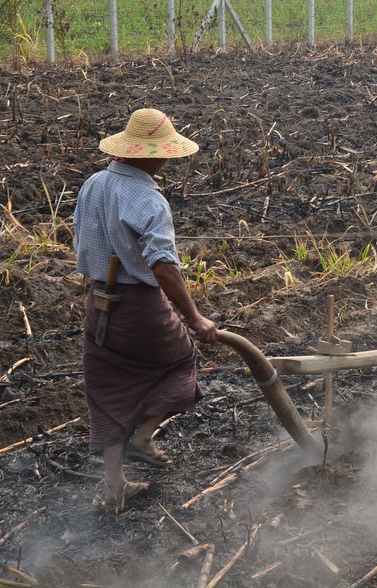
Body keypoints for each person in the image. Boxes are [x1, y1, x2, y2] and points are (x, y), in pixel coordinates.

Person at [73, 108, 218, 513]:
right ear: (146, 155)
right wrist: (194, 318)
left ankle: (114, 485)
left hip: (99, 302)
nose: (167, 160)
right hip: (138, 306)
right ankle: (143, 437)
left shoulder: (93, 184)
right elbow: (164, 267)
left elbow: (81, 241)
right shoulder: (148, 199)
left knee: (108, 388)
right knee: (180, 358)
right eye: (164, 153)